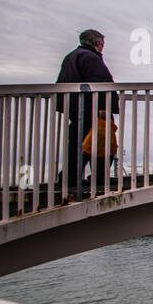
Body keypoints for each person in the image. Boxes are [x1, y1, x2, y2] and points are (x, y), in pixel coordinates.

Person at [55, 29, 119, 197]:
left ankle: (69, 178)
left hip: (76, 108)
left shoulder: (71, 57)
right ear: (97, 44)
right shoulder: (91, 58)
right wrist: (104, 107)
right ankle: (98, 178)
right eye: (102, 44)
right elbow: (99, 83)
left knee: (79, 144)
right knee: (103, 145)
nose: (102, 47)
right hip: (93, 110)